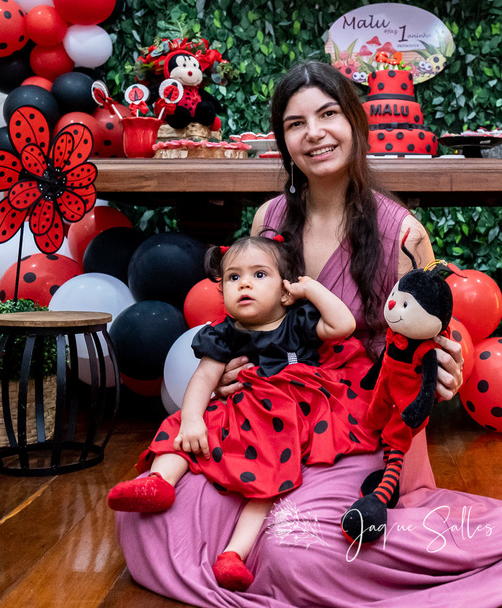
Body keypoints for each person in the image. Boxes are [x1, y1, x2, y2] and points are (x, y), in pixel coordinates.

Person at [116, 61, 502, 607]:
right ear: (282, 139)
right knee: (153, 522)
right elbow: (247, 323)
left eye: (328, 114)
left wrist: (446, 364)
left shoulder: (403, 232)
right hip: (270, 424)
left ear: (355, 124)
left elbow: (437, 336)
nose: (314, 134)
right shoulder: (269, 222)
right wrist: (231, 373)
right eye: (295, 123)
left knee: (298, 553)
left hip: (360, 425)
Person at [107, 233, 378, 591]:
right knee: (177, 425)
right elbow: (204, 380)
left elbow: (342, 325)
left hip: (283, 421)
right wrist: (191, 420)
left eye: (259, 275)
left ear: (285, 290)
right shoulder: (225, 334)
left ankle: (234, 554)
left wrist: (308, 288)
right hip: (241, 409)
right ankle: (160, 482)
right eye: (233, 278)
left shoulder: (299, 321)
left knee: (269, 480)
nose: (245, 283)